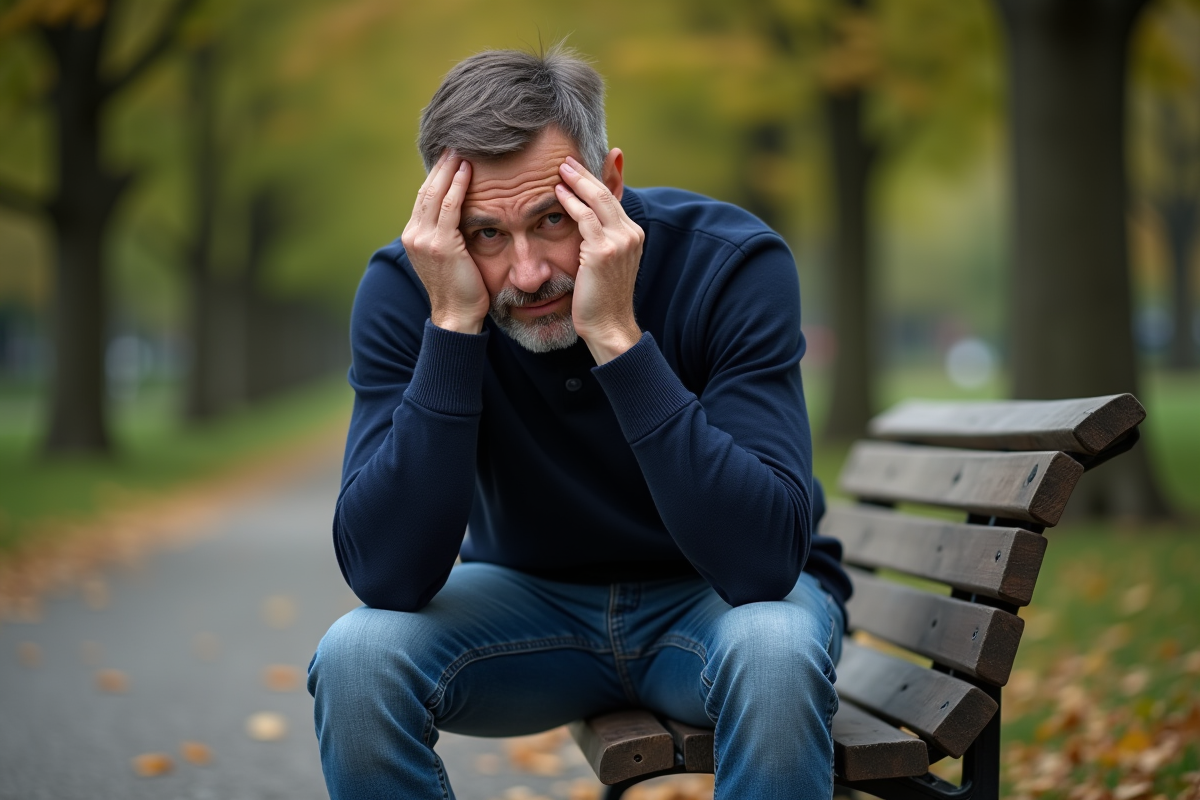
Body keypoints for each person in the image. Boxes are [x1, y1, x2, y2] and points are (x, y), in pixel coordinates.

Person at [307, 44, 851, 800]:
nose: (528, 273)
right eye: (485, 234)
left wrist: (618, 339)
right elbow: (387, 575)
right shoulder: (413, 291)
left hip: (713, 607)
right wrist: (454, 327)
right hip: (528, 613)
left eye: (553, 219)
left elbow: (762, 565)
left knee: (775, 647)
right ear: (441, 220)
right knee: (356, 658)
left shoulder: (731, 264)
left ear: (612, 182)